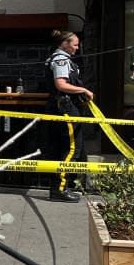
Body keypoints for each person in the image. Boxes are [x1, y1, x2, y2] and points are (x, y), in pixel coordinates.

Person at [43, 29, 94, 202]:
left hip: (64, 106)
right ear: (64, 44)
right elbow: (61, 84)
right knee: (73, 148)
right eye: (75, 44)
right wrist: (84, 90)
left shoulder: (62, 59)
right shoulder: (61, 59)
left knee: (66, 148)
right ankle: (59, 189)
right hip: (65, 107)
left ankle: (62, 187)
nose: (77, 48)